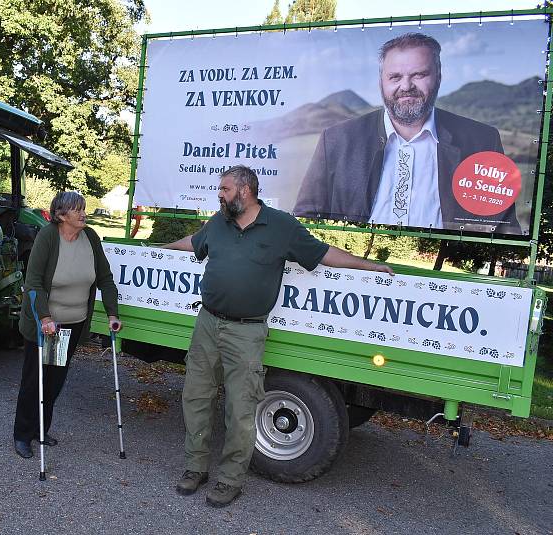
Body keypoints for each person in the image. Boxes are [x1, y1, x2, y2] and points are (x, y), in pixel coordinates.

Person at [164, 165, 393, 508]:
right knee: (195, 397)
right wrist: (162, 248)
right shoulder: (219, 222)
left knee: (241, 408)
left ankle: (230, 480)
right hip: (207, 323)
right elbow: (195, 243)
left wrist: (368, 265)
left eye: (225, 188)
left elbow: (322, 252)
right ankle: (195, 468)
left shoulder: (281, 226)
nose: (220, 194)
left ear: (244, 191)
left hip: (246, 331)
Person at [293, 32, 519, 233]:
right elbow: (304, 219)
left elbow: (502, 228)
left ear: (438, 77)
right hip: (354, 268)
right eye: (395, 77)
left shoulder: (482, 141)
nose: (406, 86)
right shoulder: (337, 140)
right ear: (381, 82)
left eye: (419, 75)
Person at [13, 191, 122, 458]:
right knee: (34, 379)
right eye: (77, 210)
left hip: (72, 325)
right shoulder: (48, 237)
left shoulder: (91, 237)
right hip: (45, 324)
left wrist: (112, 313)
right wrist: (46, 318)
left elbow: (105, 279)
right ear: (61, 215)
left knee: (55, 379)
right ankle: (22, 434)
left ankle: (42, 429)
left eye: (83, 208)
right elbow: (34, 282)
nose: (83, 213)